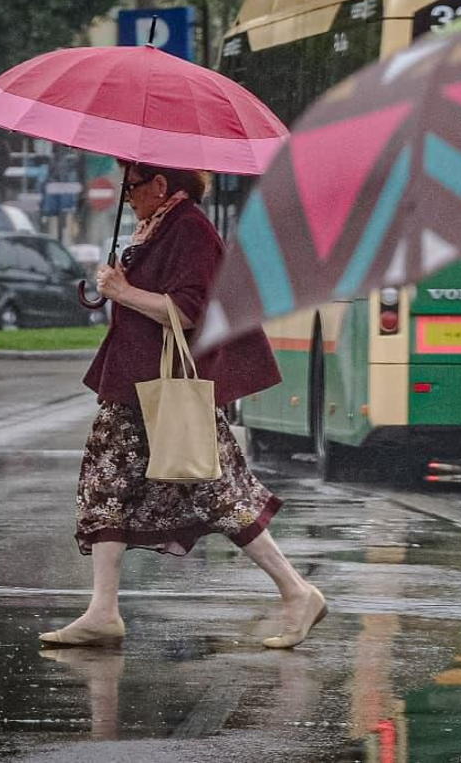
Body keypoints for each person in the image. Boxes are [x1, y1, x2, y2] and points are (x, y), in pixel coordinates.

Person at [41, 162, 325, 650]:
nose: (127, 197)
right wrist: (119, 283)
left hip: (168, 386)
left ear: (159, 185)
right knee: (106, 485)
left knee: (215, 492)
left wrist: (123, 291)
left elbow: (192, 310)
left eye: (132, 187)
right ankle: (103, 610)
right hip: (135, 380)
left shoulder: (191, 229)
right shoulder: (158, 226)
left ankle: (298, 591)